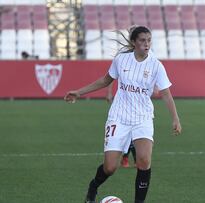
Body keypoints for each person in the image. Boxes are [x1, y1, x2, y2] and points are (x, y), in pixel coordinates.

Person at [64, 25, 182, 203]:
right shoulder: (122, 59)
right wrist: (79, 92)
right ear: (134, 42)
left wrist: (175, 118)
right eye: (142, 40)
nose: (146, 44)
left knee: (143, 161)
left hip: (142, 118)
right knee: (110, 167)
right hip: (118, 117)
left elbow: (166, 93)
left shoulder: (156, 65)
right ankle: (94, 186)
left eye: (149, 40)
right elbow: (105, 80)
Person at [106, 82, 137, 168]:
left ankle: (128, 158)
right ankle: (129, 158)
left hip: (141, 106)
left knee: (135, 134)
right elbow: (110, 78)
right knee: (130, 134)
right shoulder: (122, 68)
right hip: (124, 106)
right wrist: (109, 93)